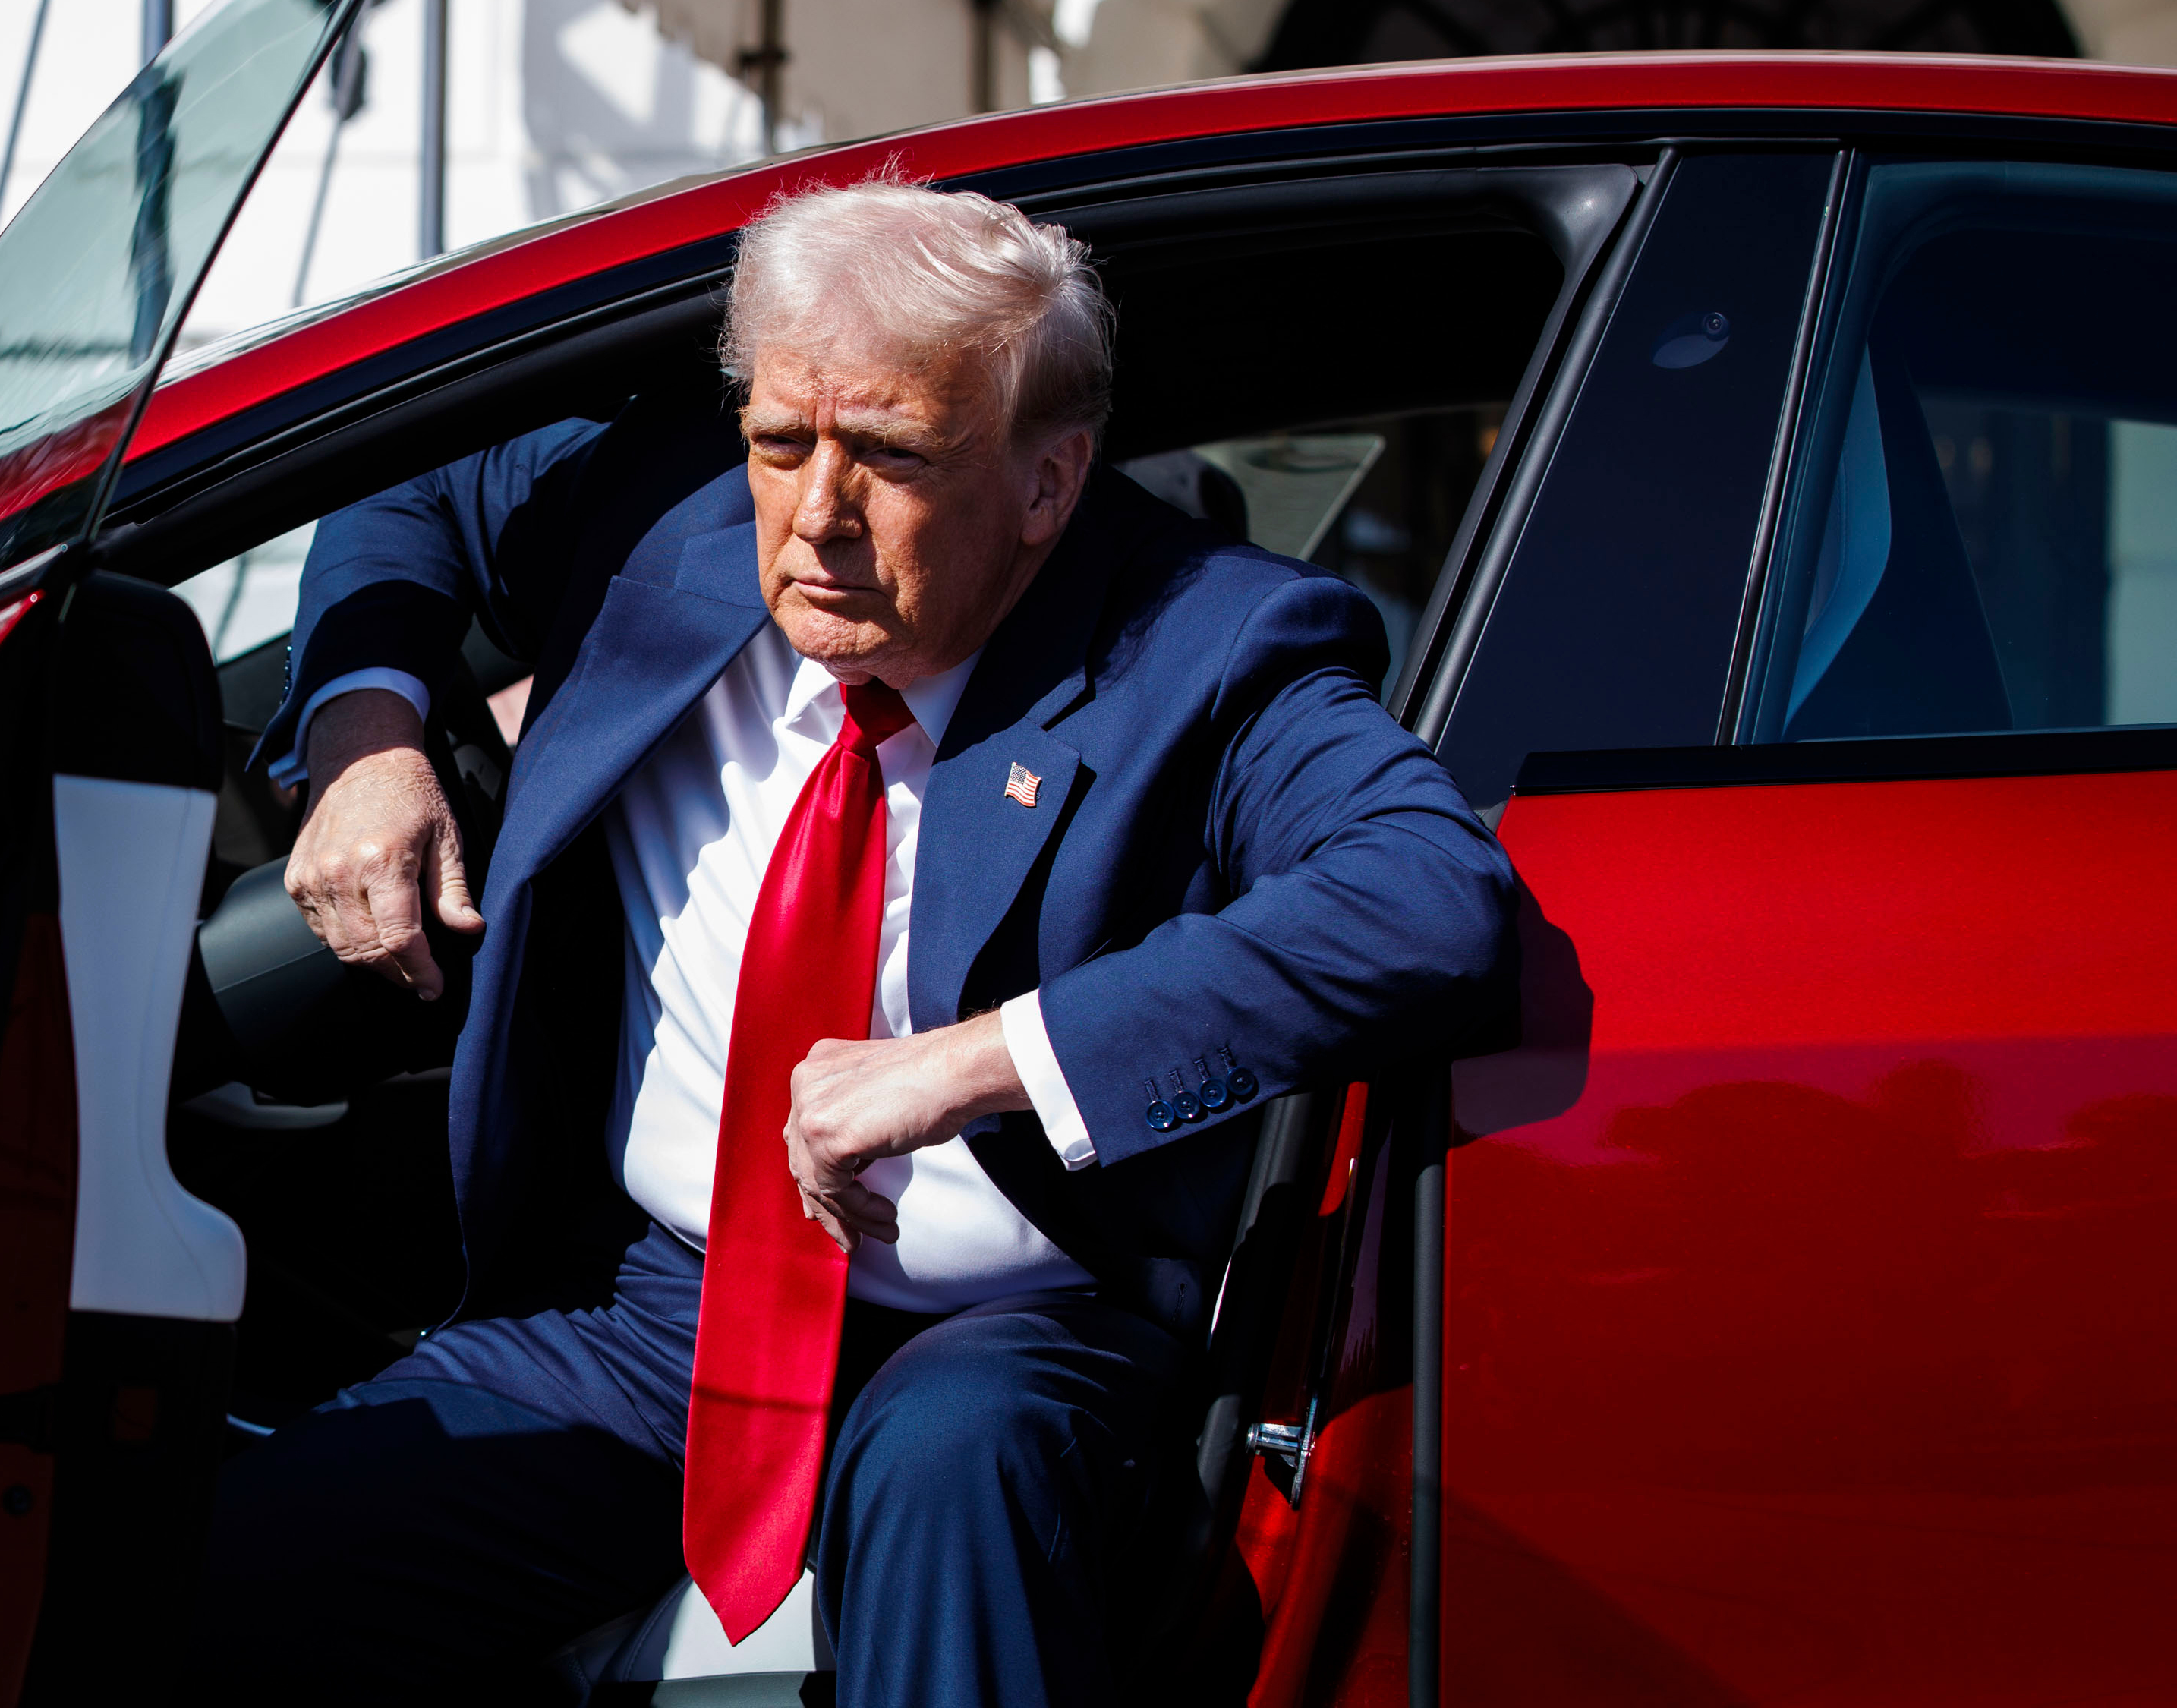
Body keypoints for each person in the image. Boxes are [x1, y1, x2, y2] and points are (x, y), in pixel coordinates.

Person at [194, 177, 1516, 1704]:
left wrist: (967, 1066)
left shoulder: (1206, 637)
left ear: (1044, 483)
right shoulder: (666, 517)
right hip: (667, 1311)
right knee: (243, 1574)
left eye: (886, 457)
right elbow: (407, 484)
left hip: (1017, 1321)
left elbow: (1426, 895)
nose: (813, 512)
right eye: (778, 443)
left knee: (951, 1467)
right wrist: (368, 733)